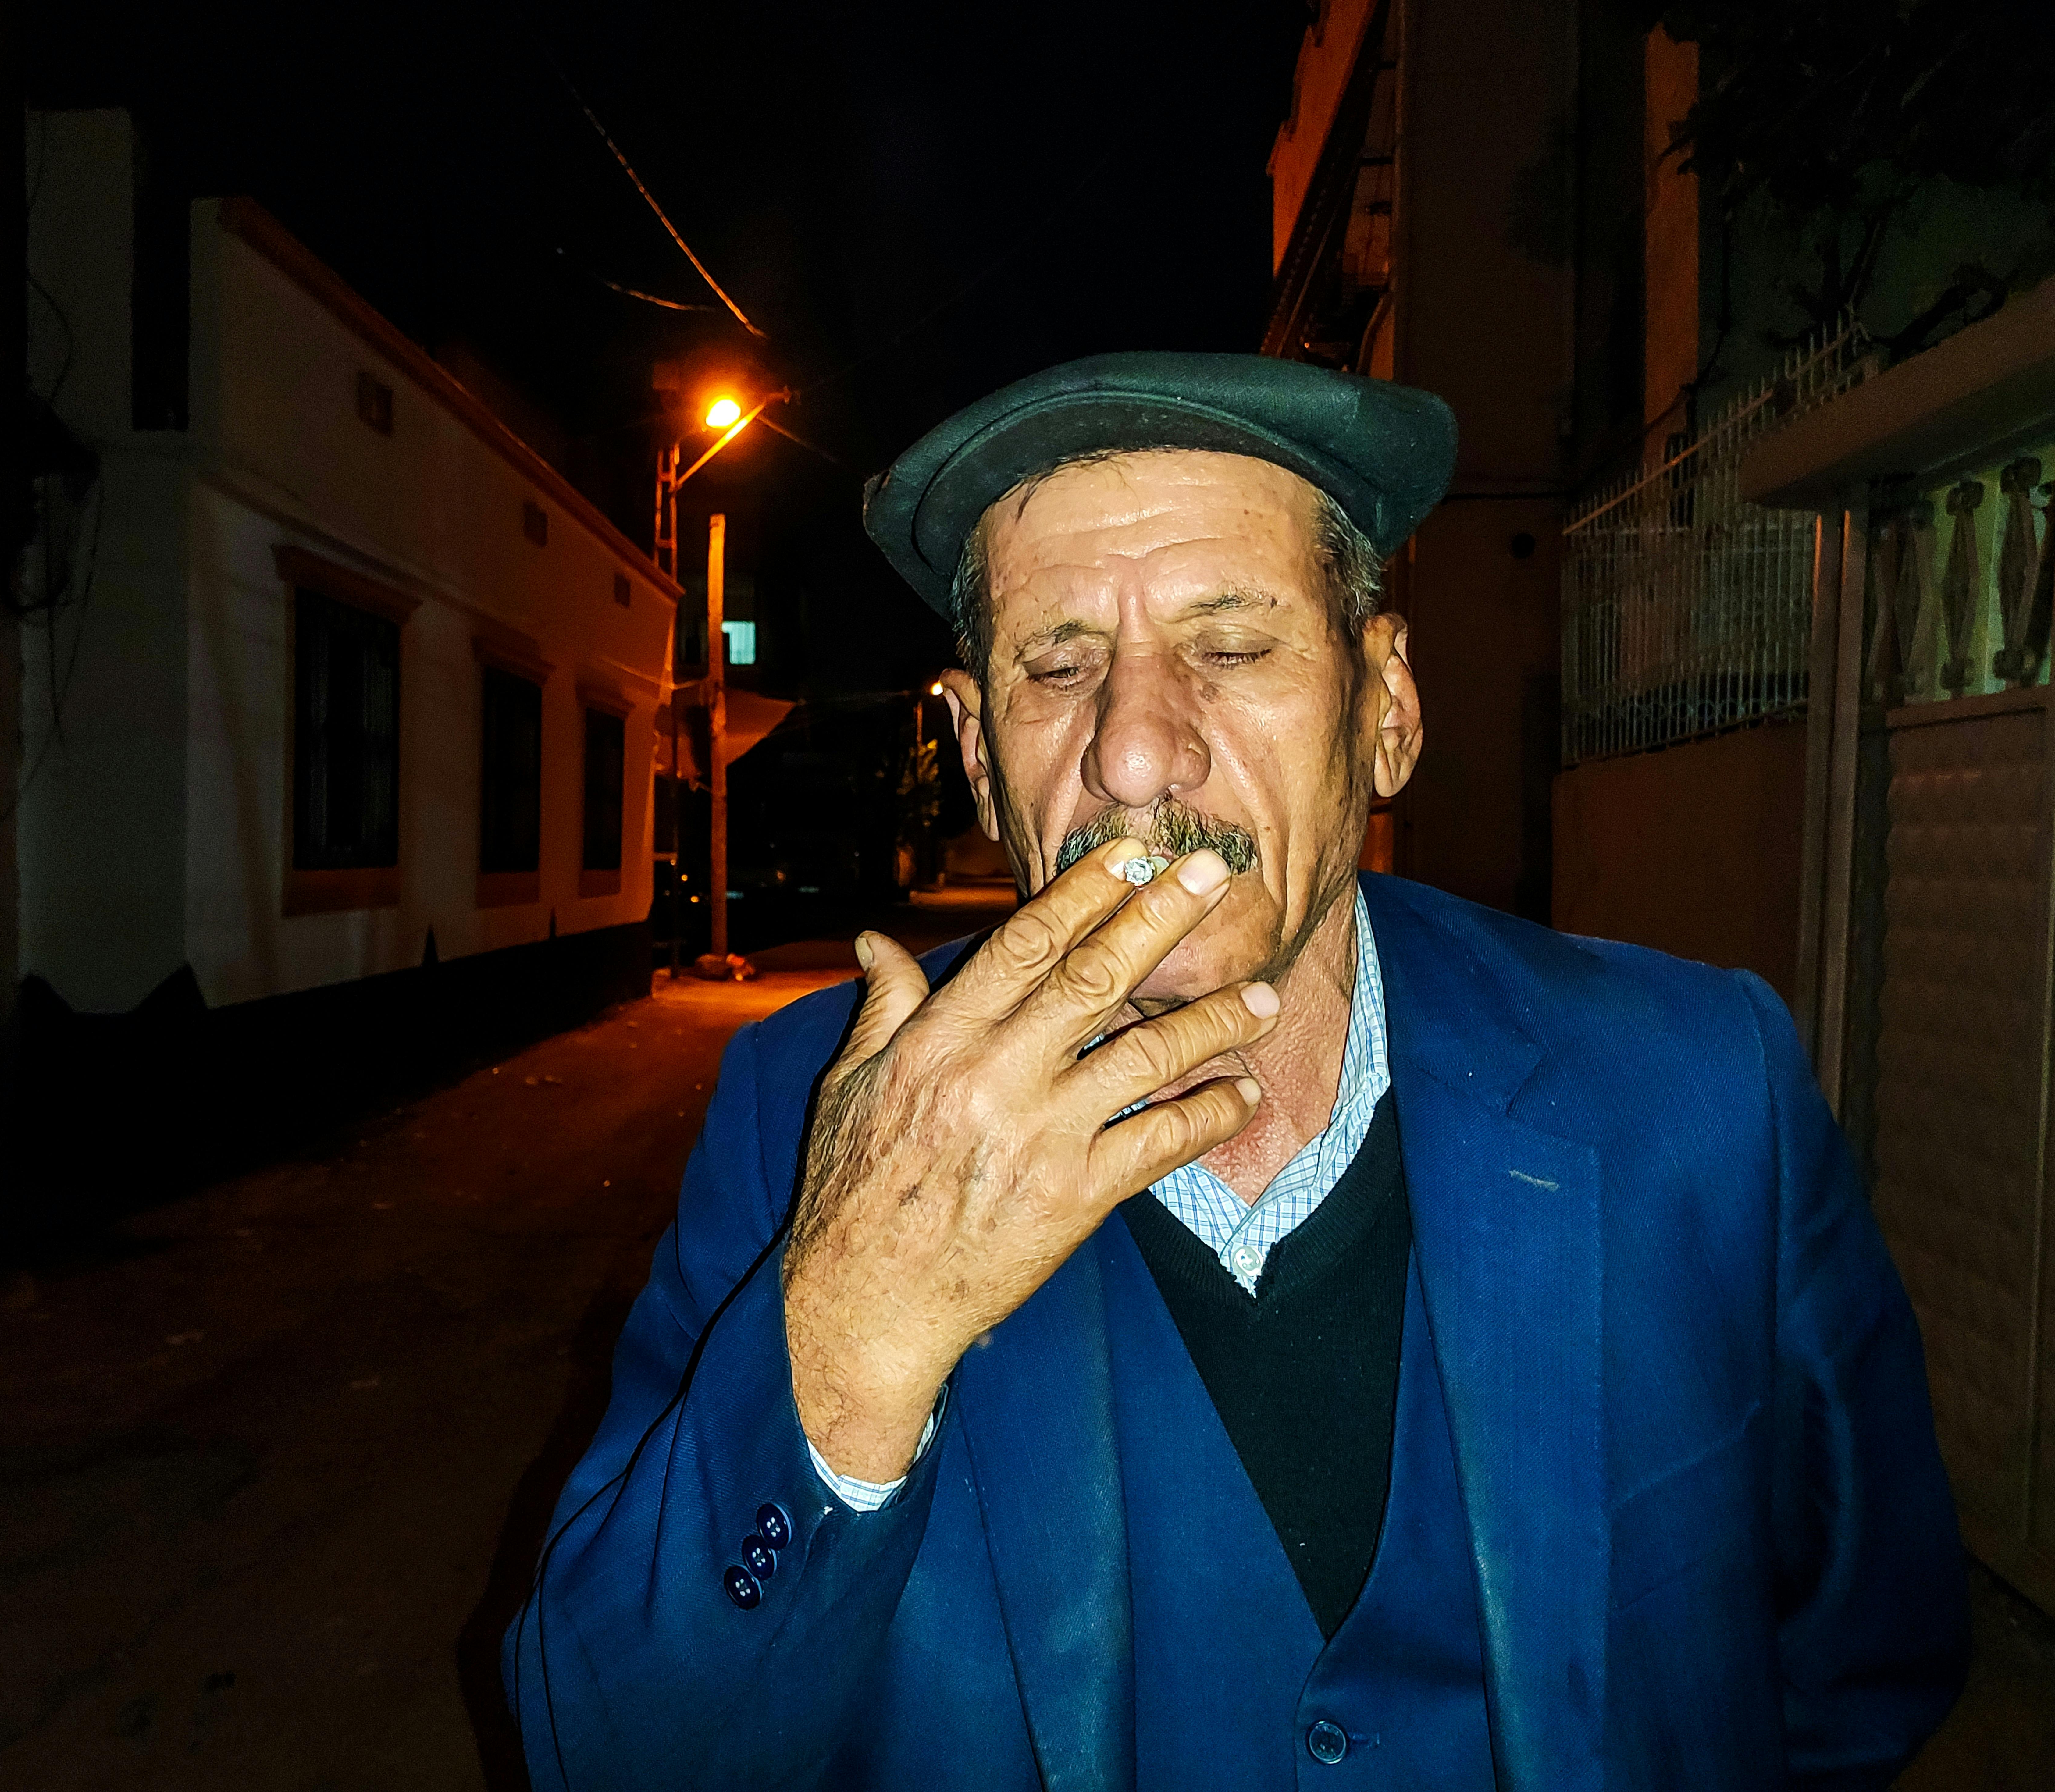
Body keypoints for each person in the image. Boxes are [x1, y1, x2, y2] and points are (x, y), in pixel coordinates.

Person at [504, 353, 1967, 1789]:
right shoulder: (801, 1119)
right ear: (968, 747)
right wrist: (853, 1329)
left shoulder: (1697, 1093)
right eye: (1057, 665)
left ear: (1384, 707)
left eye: (1233, 646)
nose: (1136, 754)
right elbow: (604, 1749)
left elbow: (1856, 1665)